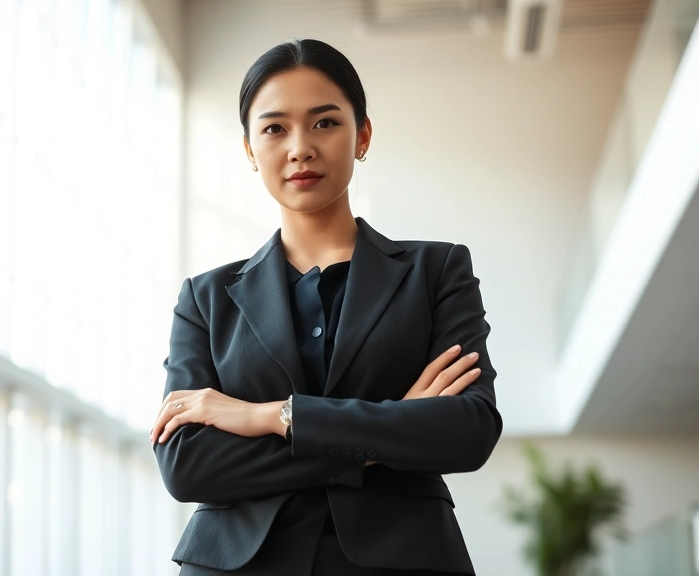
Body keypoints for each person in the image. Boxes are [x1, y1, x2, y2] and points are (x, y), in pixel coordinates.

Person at [151, 38, 502, 576]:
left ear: (362, 135)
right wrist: (387, 431)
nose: (300, 148)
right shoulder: (205, 298)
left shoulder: (436, 271)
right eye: (274, 128)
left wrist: (267, 416)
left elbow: (467, 430)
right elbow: (187, 465)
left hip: (405, 560)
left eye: (325, 123)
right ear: (249, 149)